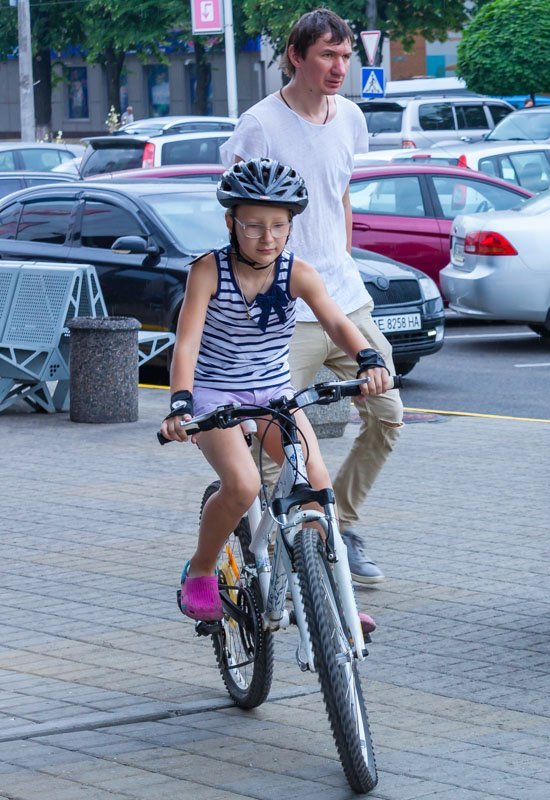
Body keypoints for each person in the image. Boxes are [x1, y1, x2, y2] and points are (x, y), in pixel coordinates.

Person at [160, 158, 392, 622]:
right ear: (231, 223)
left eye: (279, 226)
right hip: (214, 394)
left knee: (317, 489)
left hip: (274, 393)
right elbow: (186, 344)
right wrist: (180, 404)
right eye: (254, 226)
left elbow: (336, 320)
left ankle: (337, 599)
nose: (268, 237)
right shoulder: (208, 270)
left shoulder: (297, 273)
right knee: (243, 486)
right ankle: (202, 569)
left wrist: (368, 358)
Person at [221, 8, 403, 585]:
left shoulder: (349, 117)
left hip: (344, 299)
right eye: (327, 55)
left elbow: (339, 196)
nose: (338, 68)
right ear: (295, 57)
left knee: (388, 414)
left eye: (346, 57)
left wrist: (341, 261)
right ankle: (265, 548)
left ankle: (339, 524)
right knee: (274, 443)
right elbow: (238, 213)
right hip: (284, 307)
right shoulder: (260, 125)